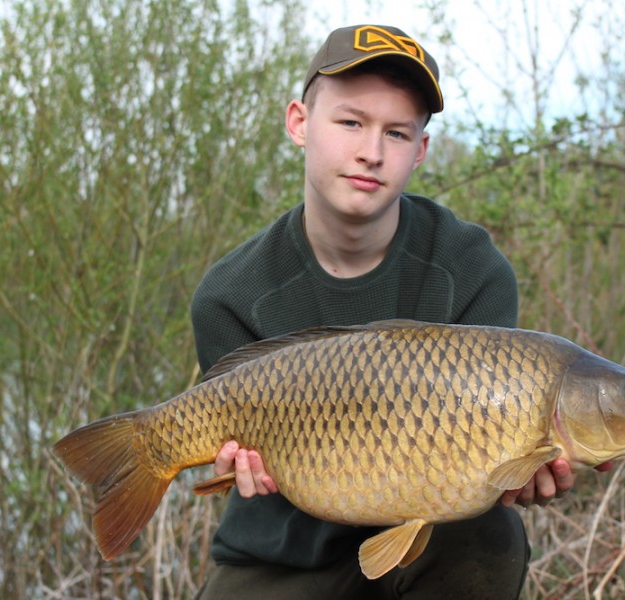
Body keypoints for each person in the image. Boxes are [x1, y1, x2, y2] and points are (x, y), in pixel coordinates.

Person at [191, 24, 588, 600]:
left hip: (434, 547)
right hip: (281, 553)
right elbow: (237, 454)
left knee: (493, 535)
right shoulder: (230, 293)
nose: (371, 152)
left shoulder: (472, 269)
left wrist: (520, 470)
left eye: (397, 133)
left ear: (420, 150)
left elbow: (500, 460)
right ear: (300, 123)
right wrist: (238, 463)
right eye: (351, 122)